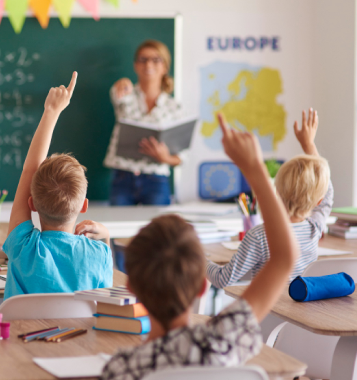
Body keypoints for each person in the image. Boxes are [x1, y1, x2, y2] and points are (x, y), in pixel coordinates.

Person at [100, 114, 300, 379]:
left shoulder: (121, 369)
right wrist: (255, 170)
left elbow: (283, 259)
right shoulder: (222, 341)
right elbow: (285, 258)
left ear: (131, 289)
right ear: (202, 285)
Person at [2, 72, 113, 299]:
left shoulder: (24, 249)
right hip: (79, 335)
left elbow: (29, 170)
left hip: (20, 335)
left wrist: (51, 112)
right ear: (84, 205)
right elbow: (105, 303)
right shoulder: (98, 254)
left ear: (31, 203)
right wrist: (106, 237)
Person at [207, 108, 333, 288]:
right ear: (318, 201)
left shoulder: (259, 236)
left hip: (267, 313)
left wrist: (198, 258)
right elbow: (327, 194)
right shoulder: (315, 229)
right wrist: (309, 145)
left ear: (277, 192)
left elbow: (222, 279)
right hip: (299, 314)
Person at [104, 40, 183, 206]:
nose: (148, 64)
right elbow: (116, 93)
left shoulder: (174, 107)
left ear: (165, 67)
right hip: (123, 176)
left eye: (156, 59)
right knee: (119, 229)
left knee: (158, 231)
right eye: (143, 59)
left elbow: (181, 157)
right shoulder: (125, 94)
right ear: (135, 65)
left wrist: (165, 158)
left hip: (156, 179)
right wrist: (123, 82)